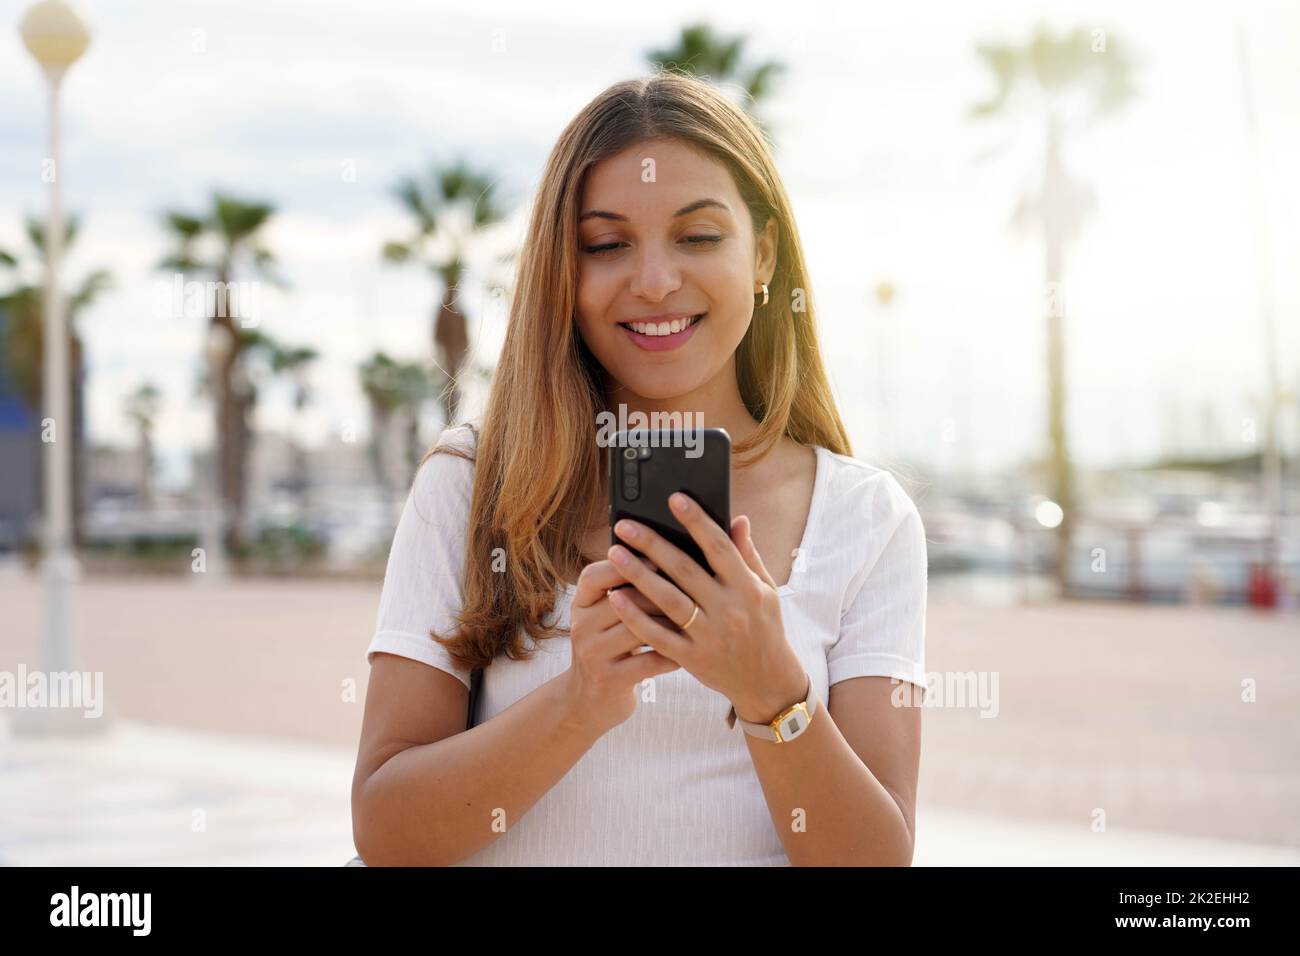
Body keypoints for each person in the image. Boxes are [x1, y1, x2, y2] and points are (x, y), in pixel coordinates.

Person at [350, 70, 929, 866]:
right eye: (607, 244)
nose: (655, 281)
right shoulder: (471, 485)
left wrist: (772, 693)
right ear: (564, 271)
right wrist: (582, 701)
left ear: (763, 254)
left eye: (697, 237)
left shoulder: (867, 517)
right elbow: (388, 834)